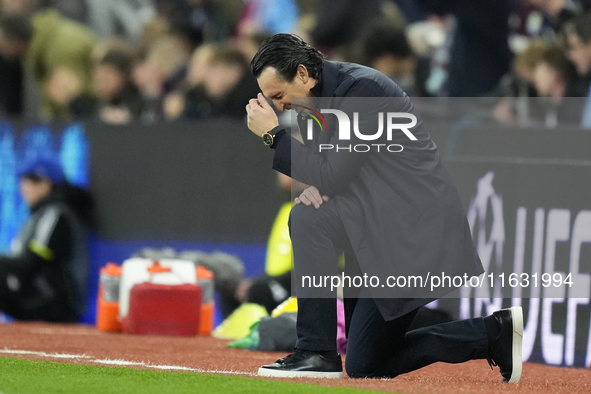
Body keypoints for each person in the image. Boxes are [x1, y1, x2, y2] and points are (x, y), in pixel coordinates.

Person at [244, 34, 523, 382]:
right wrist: (316, 188)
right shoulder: (319, 102)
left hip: (410, 234)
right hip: (376, 228)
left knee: (306, 219)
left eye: (279, 96)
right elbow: (329, 173)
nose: (279, 107)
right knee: (366, 365)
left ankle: (316, 351)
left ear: (302, 73)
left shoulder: (363, 91)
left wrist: (274, 137)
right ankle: (490, 334)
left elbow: (331, 173)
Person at [0, 156, 92, 322]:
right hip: (39, 297)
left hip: (54, 301)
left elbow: (34, 261)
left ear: (45, 184)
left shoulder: (55, 214)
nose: (23, 189)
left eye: (28, 182)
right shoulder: (39, 215)